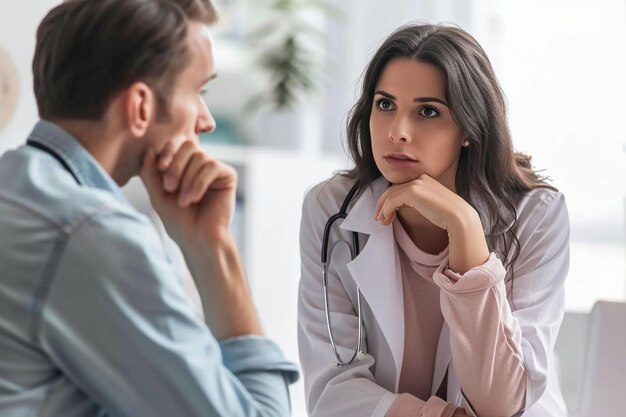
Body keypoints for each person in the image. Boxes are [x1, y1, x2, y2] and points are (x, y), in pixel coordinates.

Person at [0, 0, 299, 416]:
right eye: (198, 91)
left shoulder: (16, 190)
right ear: (140, 106)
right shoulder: (91, 234)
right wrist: (214, 249)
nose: (206, 120)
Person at [298, 23, 569, 417]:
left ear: (468, 128)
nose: (397, 132)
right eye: (385, 104)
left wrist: (465, 229)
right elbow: (330, 393)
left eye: (428, 111)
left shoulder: (536, 215)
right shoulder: (331, 211)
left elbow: (504, 404)